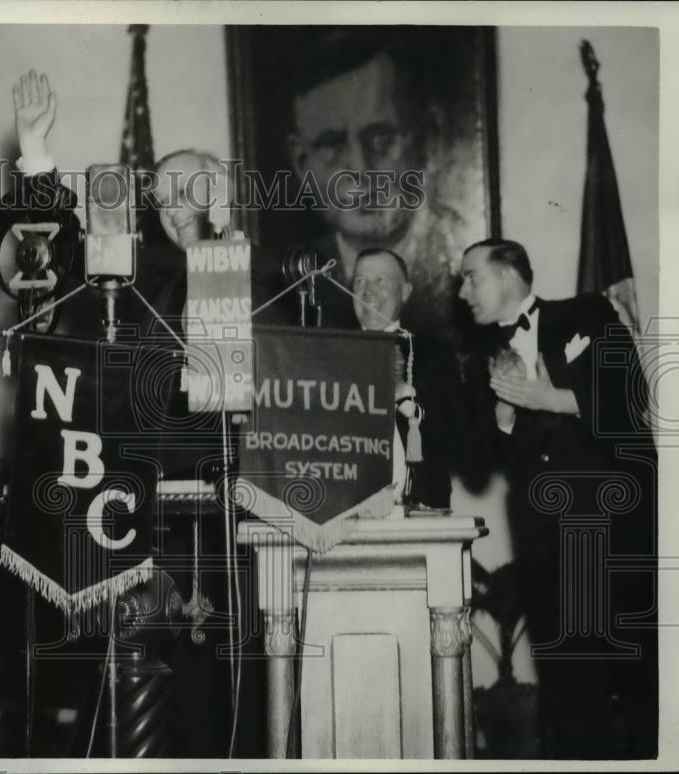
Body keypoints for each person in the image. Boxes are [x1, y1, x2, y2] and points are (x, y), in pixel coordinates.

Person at [458, 238, 657, 759]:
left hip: (611, 524)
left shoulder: (586, 312)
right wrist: (504, 415)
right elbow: (477, 464)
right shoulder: (478, 359)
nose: (462, 292)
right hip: (545, 539)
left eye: (471, 277)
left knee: (635, 671)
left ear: (506, 276)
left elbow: (632, 394)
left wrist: (554, 400)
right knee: (567, 681)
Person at [286, 31, 466, 334]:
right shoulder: (292, 282)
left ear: (427, 142)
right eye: (332, 144)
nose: (358, 168)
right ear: (302, 162)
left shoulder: (462, 256)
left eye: (381, 137)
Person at [351, 247, 463, 509]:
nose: (368, 291)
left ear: (405, 291)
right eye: (360, 281)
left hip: (423, 505)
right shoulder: (330, 354)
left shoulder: (436, 354)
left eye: (380, 280)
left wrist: (402, 392)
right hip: (348, 511)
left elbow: (455, 438)